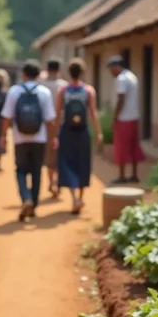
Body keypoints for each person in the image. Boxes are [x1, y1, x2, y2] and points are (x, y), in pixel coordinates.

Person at [0, 59, 56, 221]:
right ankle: (34, 205)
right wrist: (53, 138)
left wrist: (3, 136)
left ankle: (26, 198)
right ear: (38, 75)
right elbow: (50, 119)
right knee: (37, 171)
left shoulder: (14, 91)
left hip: (20, 138)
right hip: (40, 139)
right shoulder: (44, 92)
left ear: (23, 74)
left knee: (21, 170)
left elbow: (7, 117)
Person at [53, 58, 102, 214]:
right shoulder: (89, 91)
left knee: (67, 162)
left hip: (67, 131)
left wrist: (55, 135)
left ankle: (74, 197)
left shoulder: (63, 91)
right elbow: (93, 113)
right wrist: (99, 132)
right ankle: (80, 197)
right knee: (83, 163)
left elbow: (57, 114)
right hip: (83, 132)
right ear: (83, 72)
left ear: (69, 72)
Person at [107, 55, 145, 184]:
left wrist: (115, 117)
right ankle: (134, 175)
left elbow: (121, 99)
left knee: (121, 147)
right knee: (134, 146)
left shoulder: (121, 79)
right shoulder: (132, 76)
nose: (111, 71)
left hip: (124, 118)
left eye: (111, 68)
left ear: (117, 67)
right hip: (134, 117)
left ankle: (122, 175)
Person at [39, 58, 68, 197]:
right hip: (62, 125)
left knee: (50, 156)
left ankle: (51, 182)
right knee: (61, 155)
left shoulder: (41, 85)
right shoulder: (64, 86)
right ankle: (58, 182)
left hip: (45, 127)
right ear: (59, 70)